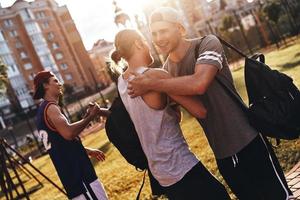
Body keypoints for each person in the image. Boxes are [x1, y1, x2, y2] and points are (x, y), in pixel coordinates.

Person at [127, 7, 294, 200]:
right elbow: (183, 114)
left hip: (249, 142)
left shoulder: (207, 44)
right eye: (154, 33)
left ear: (180, 29)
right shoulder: (166, 72)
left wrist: (153, 83)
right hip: (223, 157)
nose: (158, 38)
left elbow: (199, 83)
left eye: (163, 31)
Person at [111, 29, 230, 200]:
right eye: (145, 41)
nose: (150, 45)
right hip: (180, 165)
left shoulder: (122, 82)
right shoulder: (156, 75)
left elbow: (164, 117)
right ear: (138, 43)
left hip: (162, 175)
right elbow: (200, 111)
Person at [33, 71, 109, 200]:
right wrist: (91, 116)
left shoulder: (42, 110)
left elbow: (61, 143)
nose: (60, 84)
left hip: (72, 177)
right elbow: (69, 133)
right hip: (80, 176)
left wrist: (86, 150)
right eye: (55, 81)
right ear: (45, 85)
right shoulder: (51, 108)